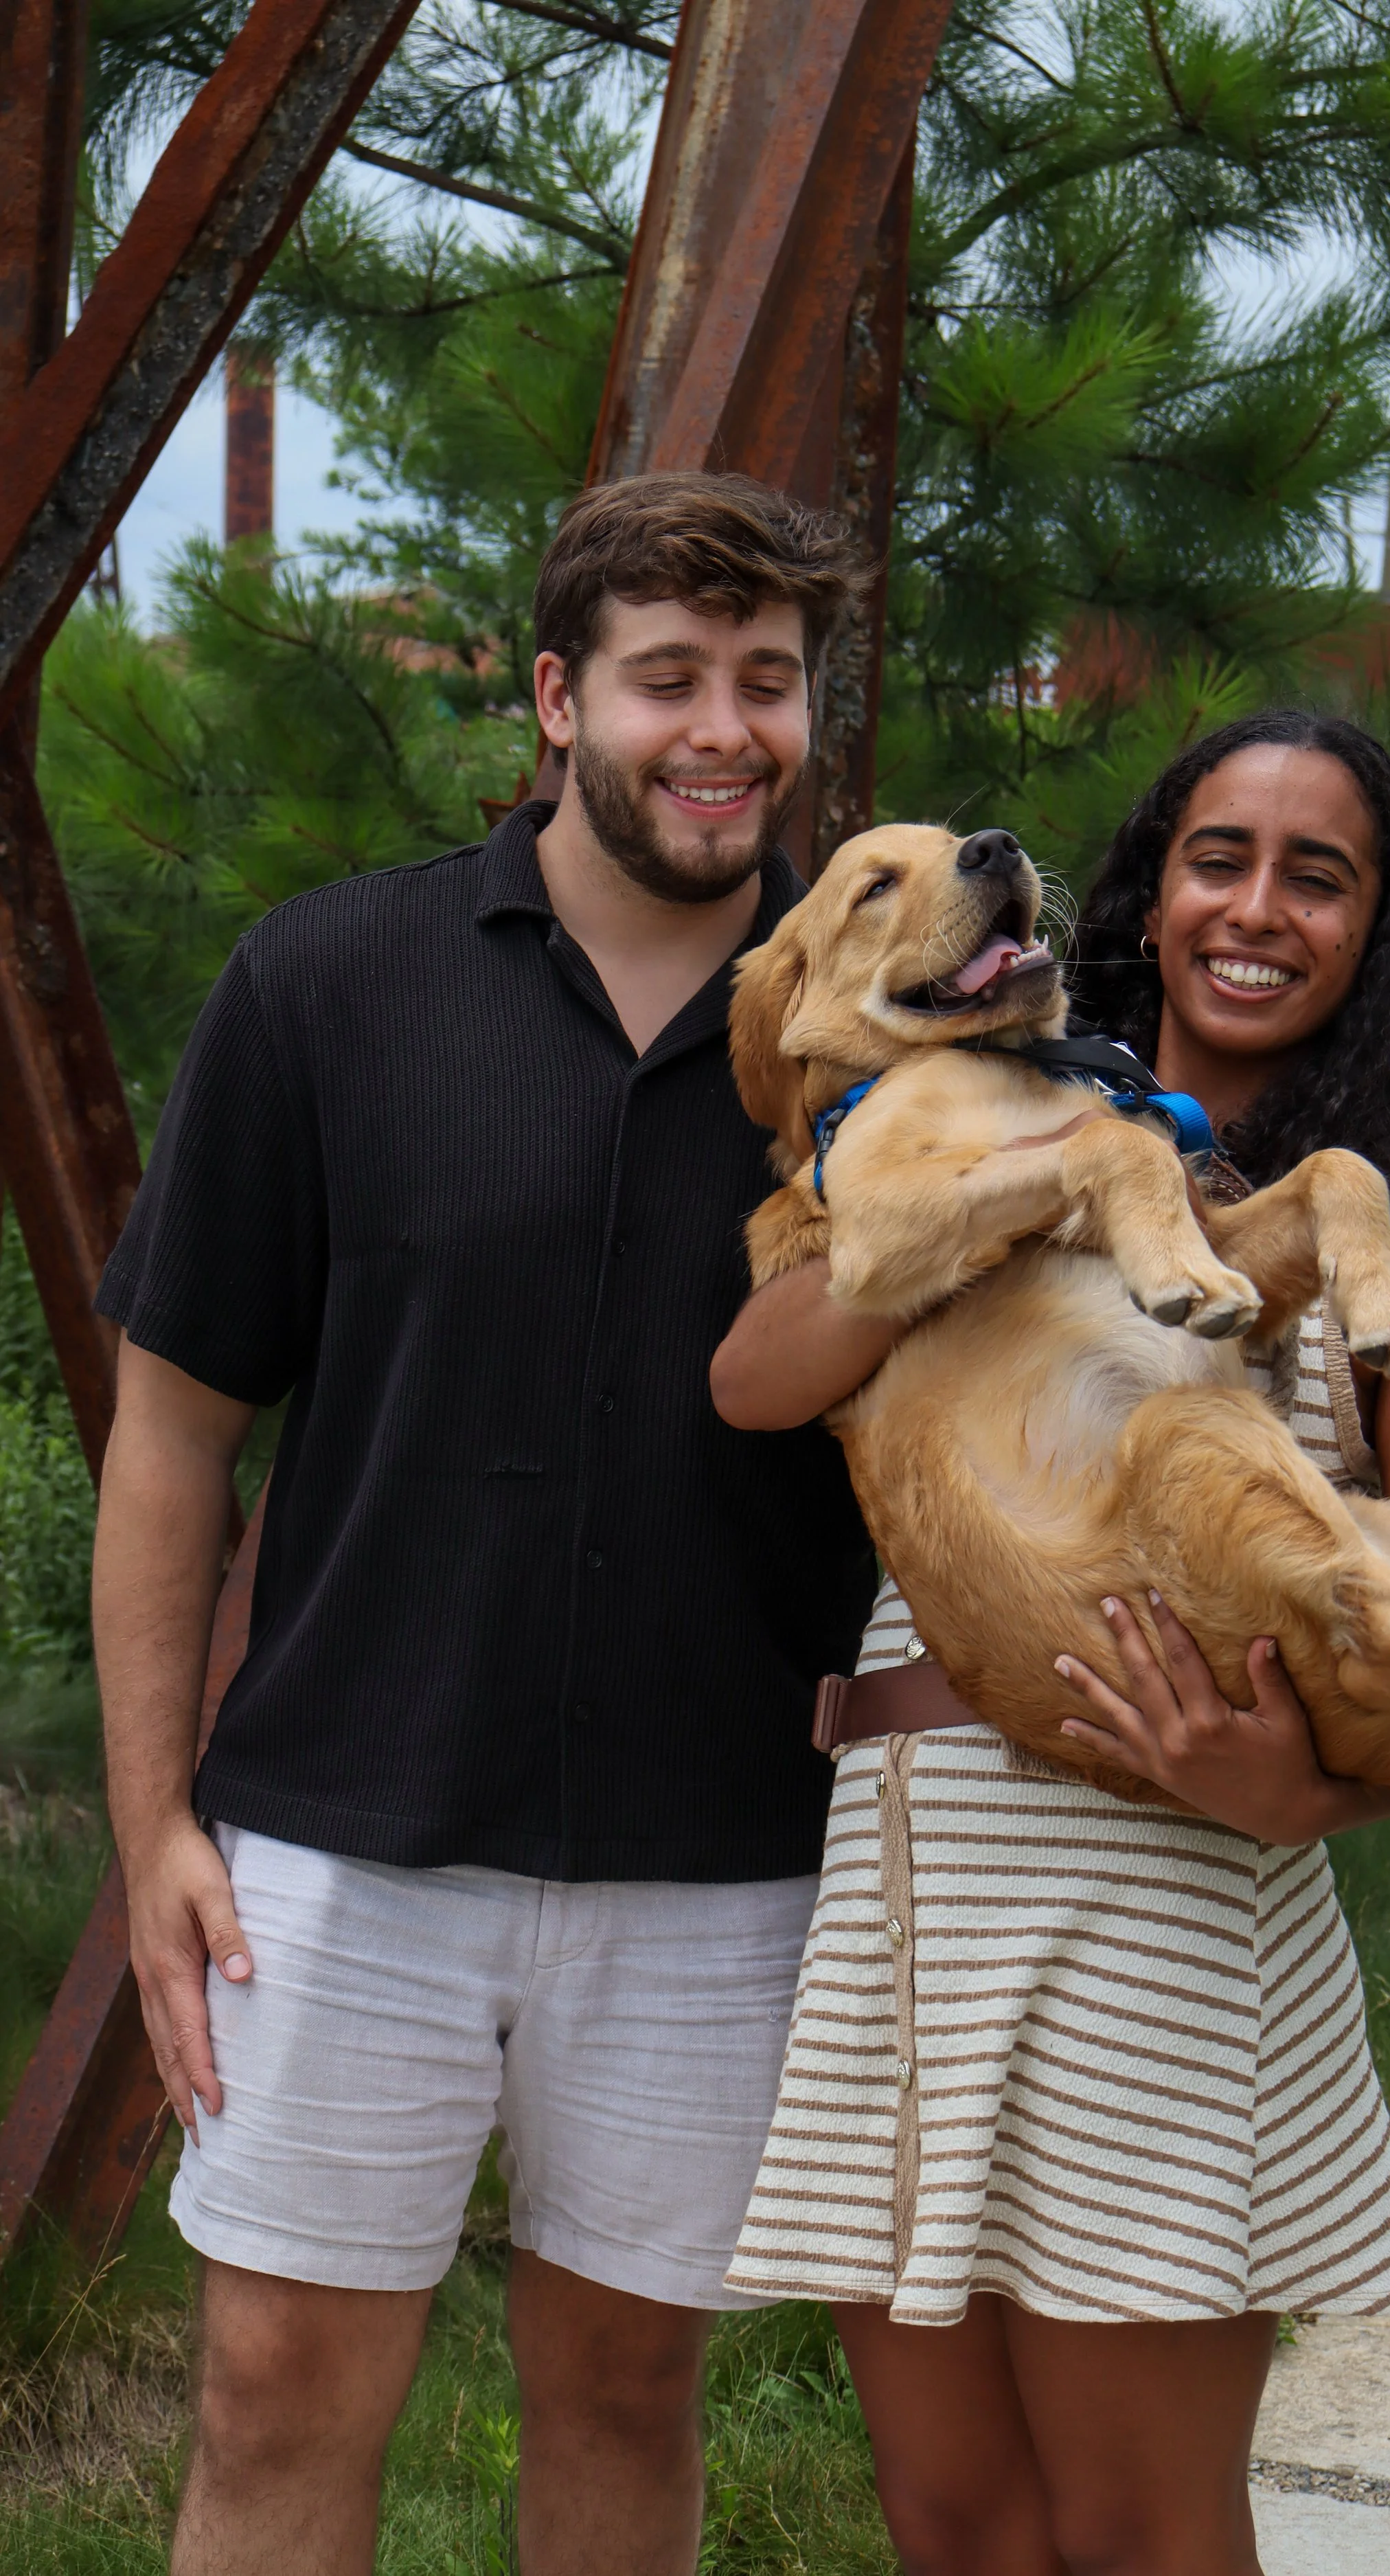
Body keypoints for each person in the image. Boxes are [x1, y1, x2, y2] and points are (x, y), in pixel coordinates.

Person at [91, 472, 878, 2576]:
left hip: (719, 1856)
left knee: (625, 2390)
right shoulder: (326, 987)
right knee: (271, 2395)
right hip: (344, 1844)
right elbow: (171, 1442)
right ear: (555, 697)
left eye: (768, 682)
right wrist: (152, 1821)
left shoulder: (884, 1042)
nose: (723, 729)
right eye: (667, 678)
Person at [709, 710, 1390, 2576]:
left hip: (1165, 1904)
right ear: (1147, 895)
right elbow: (756, 1372)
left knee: (1135, 2526)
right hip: (914, 1883)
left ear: (1376, 926)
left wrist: (1297, 1793)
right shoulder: (961, 1132)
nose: (1253, 910)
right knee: (954, 2518)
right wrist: (1041, 1182)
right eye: (1216, 858)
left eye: (1313, 875)